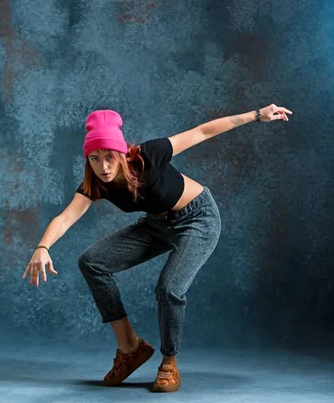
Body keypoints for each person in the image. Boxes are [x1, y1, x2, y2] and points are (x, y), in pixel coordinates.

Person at [22, 104, 292, 392]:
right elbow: (65, 217)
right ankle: (130, 347)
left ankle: (169, 362)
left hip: (198, 219)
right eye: (95, 159)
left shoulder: (149, 155)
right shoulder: (96, 183)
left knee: (169, 288)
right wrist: (42, 246)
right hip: (157, 226)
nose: (104, 167)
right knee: (92, 262)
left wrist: (255, 116)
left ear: (123, 153)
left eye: (110, 157)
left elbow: (201, 132)